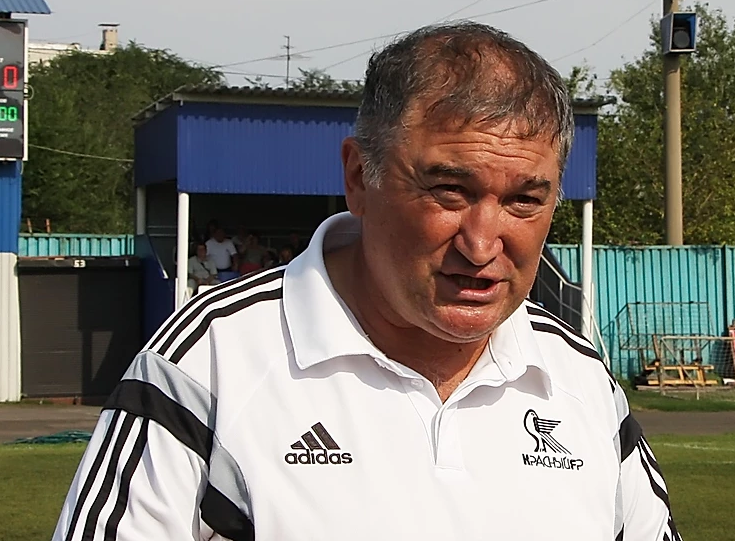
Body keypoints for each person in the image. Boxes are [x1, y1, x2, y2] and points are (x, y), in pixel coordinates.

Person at [52, 23, 680, 541]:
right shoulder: (209, 361)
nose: (483, 243)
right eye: (449, 190)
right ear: (359, 177)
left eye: (524, 201)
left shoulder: (581, 382)